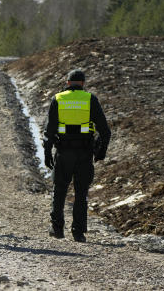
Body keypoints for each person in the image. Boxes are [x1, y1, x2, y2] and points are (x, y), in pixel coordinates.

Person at [43, 69, 111, 242]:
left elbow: (49, 130)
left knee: (59, 190)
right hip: (84, 153)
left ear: (67, 83)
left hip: (63, 152)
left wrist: (47, 153)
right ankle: (78, 232)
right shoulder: (90, 99)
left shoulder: (58, 99)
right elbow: (105, 131)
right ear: (83, 83)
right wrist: (101, 152)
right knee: (81, 193)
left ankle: (57, 229)